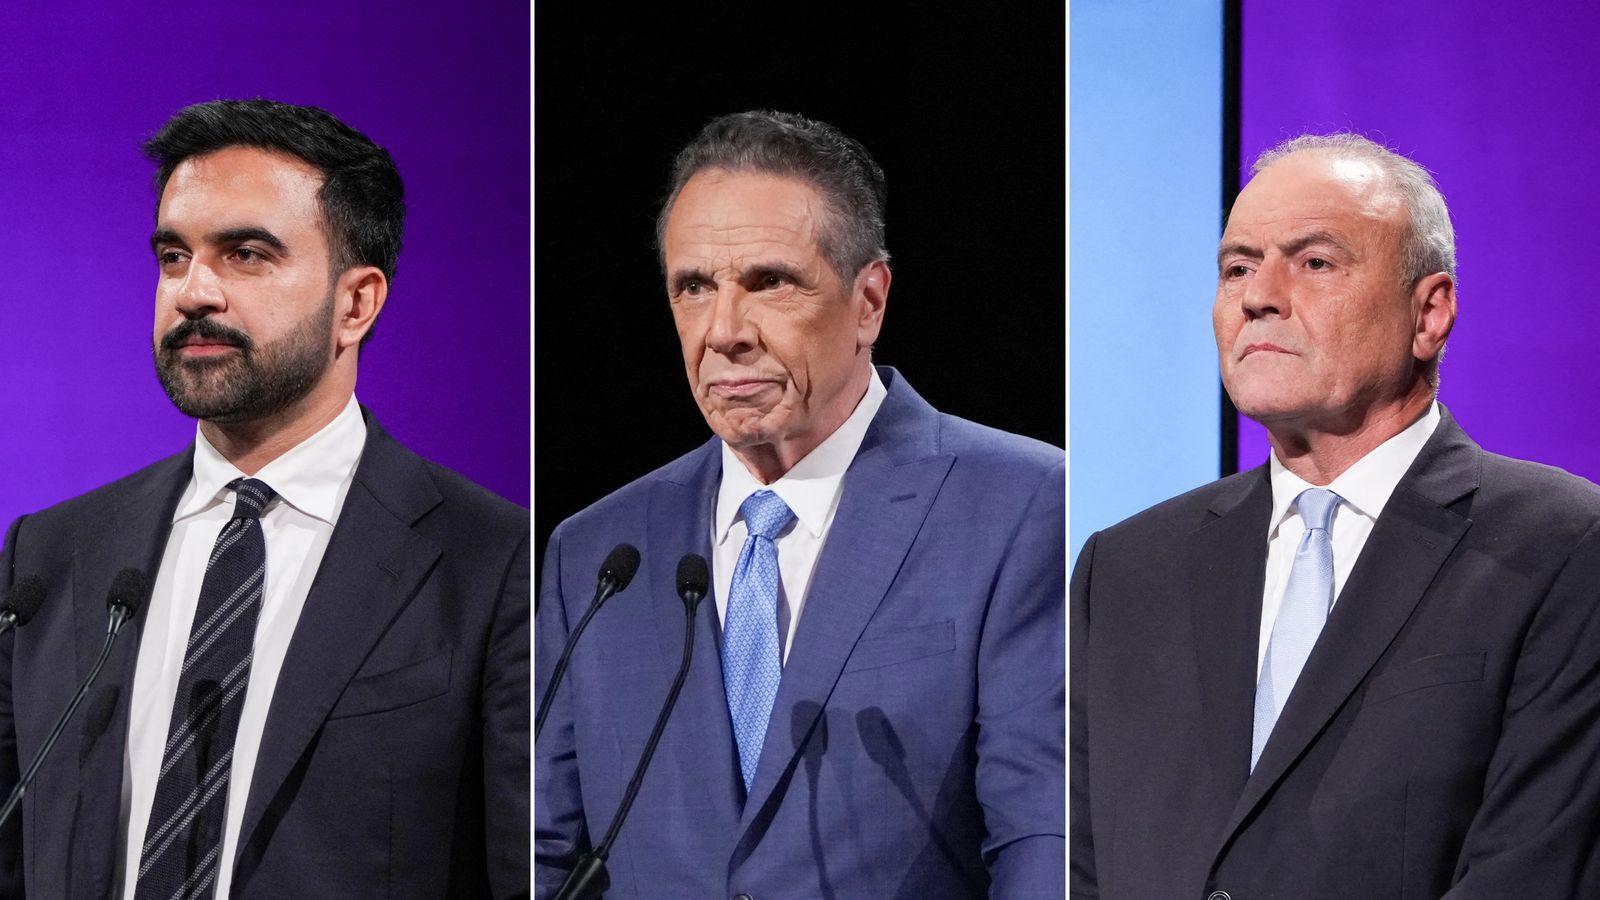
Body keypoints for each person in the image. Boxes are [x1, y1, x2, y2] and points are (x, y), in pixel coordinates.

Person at [0, 99, 529, 899]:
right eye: (173, 256)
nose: (193, 292)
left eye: (245, 254)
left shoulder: (493, 564)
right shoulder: (48, 557)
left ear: (357, 304)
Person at [535, 111, 1065, 899]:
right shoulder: (599, 554)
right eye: (693, 288)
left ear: (869, 301)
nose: (724, 332)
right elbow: (544, 848)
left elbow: (1042, 838)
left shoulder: (1021, 506)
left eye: (769, 282)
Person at [1071, 133, 1600, 899]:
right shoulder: (1124, 568)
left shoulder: (1560, 545)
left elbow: (1532, 870)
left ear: (1429, 313)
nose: (1259, 296)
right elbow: (1081, 864)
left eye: (1315, 263)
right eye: (1238, 267)